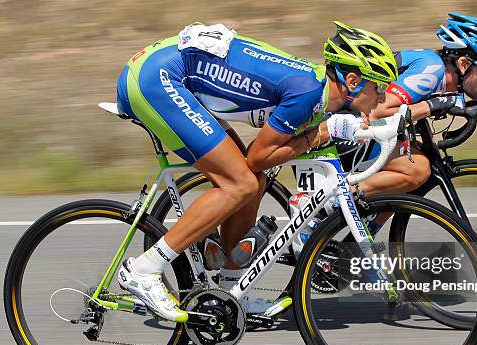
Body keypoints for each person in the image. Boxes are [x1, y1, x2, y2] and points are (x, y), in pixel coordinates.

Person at [114, 21, 398, 320]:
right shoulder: (308, 92)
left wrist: (323, 131)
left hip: (168, 70)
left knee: (253, 182)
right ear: (352, 81)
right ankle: (145, 269)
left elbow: (261, 160)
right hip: (157, 78)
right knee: (239, 184)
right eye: (378, 86)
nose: (382, 98)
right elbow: (261, 156)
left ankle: (232, 290)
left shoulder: (313, 90)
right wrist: (324, 132)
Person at [335, 12, 477, 236]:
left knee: (410, 177)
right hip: (341, 128)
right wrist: (438, 103)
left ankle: (355, 243)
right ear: (464, 64)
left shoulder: (441, 77)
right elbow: (379, 112)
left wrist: (440, 104)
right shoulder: (432, 70)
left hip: (357, 129)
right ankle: (337, 200)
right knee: (415, 170)